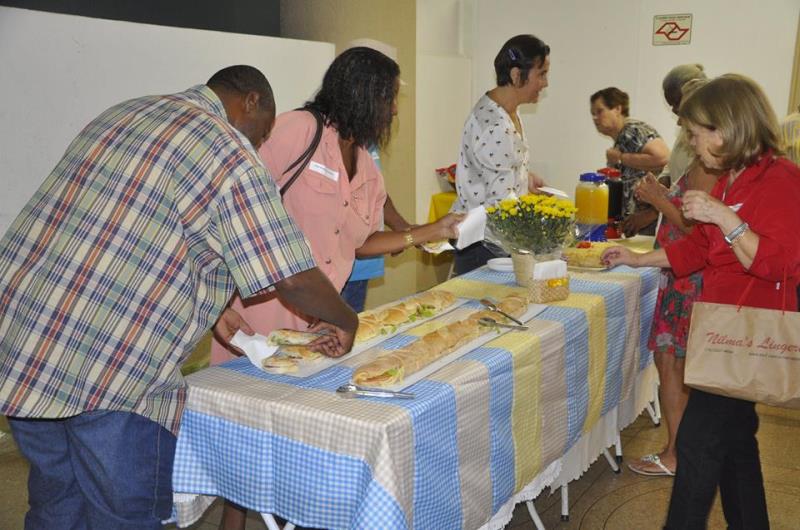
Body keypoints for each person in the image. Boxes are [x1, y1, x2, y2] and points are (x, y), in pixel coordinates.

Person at [0, 65, 358, 529]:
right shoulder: (227, 148)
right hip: (109, 372)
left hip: (23, 344)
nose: (258, 143)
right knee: (121, 517)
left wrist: (214, 310)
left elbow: (128, 234)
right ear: (251, 101)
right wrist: (346, 319)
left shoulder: (126, 113)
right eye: (263, 130)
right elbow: (289, 276)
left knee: (56, 502)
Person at [213, 48, 461, 530]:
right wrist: (219, 296)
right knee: (244, 438)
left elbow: (362, 241)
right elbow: (233, 200)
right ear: (361, 92)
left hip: (317, 320)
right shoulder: (296, 131)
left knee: (292, 437)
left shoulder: (365, 166)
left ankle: (288, 516)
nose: (393, 110)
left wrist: (432, 231)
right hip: (259, 310)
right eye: (388, 97)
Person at [603, 74, 800, 529]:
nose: (691, 144)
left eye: (695, 134)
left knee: (696, 444)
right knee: (736, 444)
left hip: (744, 335)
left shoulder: (781, 179)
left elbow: (780, 264)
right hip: (723, 331)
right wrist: (638, 259)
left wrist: (723, 216)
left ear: (725, 129)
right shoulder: (734, 179)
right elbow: (699, 250)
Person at [626, 67, 721, 478]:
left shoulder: (710, 166)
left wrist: (656, 198)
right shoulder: (703, 162)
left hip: (688, 278)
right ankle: (680, 450)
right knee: (674, 364)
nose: (682, 131)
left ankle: (674, 453)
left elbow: (693, 229)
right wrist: (661, 196)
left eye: (687, 123)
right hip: (681, 273)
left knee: (672, 365)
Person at [451, 34, 550, 275]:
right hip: (485, 245)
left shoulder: (507, 111)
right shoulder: (495, 125)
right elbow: (501, 206)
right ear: (517, 75)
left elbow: (495, 171)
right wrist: (542, 236)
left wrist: (524, 178)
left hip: (495, 240)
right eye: (541, 74)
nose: (545, 83)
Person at [340, 39, 414, 313]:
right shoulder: (334, 137)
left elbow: (375, 194)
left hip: (363, 263)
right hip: (339, 265)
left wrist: (403, 229)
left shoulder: (365, 134)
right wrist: (409, 235)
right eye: (388, 97)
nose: (394, 109)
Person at [590, 87, 670, 236]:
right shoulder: (620, 141)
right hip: (636, 225)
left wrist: (621, 158)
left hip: (649, 222)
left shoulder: (632, 130)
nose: (595, 118)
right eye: (593, 114)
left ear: (617, 109)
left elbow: (663, 157)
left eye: (600, 111)